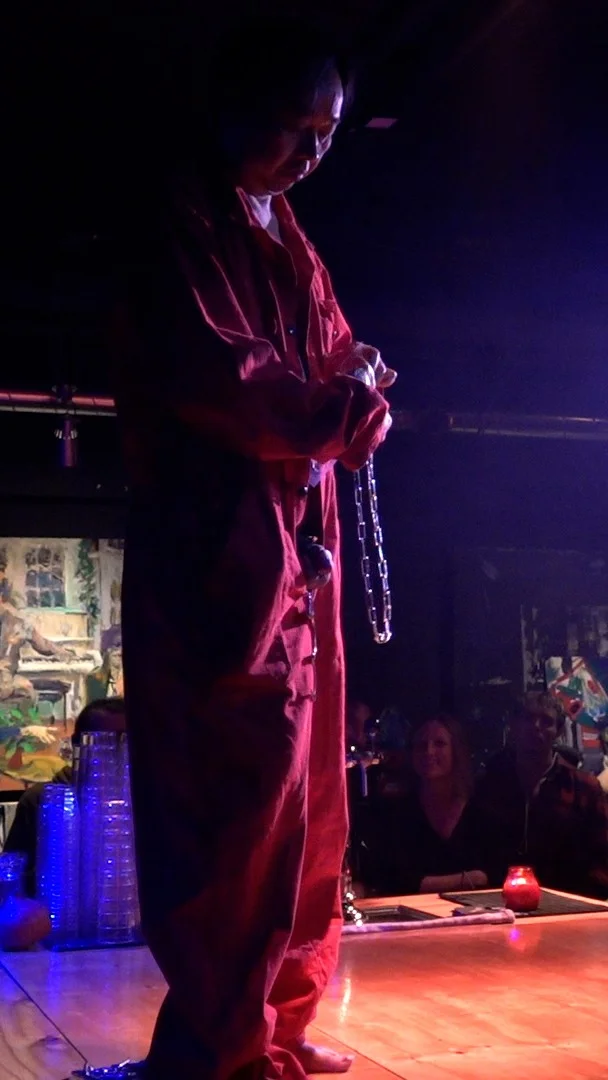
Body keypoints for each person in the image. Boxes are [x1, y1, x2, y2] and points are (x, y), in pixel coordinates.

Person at [112, 17, 394, 1080]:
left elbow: (326, 363)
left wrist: (353, 394)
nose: (309, 154)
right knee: (232, 800)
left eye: (325, 133)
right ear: (235, 108)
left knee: (310, 794)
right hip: (217, 547)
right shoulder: (180, 216)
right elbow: (220, 376)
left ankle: (277, 1022)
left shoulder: (285, 232)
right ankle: (217, 1044)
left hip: (292, 539)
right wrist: (336, 405)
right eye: (291, 127)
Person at [476, 691, 608, 899]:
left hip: (569, 904)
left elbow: (603, 854)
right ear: (514, 725)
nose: (535, 727)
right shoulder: (490, 783)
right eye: (528, 718)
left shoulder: (582, 787)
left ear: (558, 731)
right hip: (497, 902)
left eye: (546, 721)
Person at [3, 697, 125, 895]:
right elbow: (12, 876)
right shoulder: (40, 800)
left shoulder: (139, 803)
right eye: (104, 739)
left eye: (123, 740)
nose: (115, 750)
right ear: (78, 743)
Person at [359, 715, 493, 896]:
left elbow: (495, 874)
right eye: (421, 745)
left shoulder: (480, 809)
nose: (429, 752)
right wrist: (468, 879)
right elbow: (394, 880)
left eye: (439, 744)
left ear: (457, 751)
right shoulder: (397, 812)